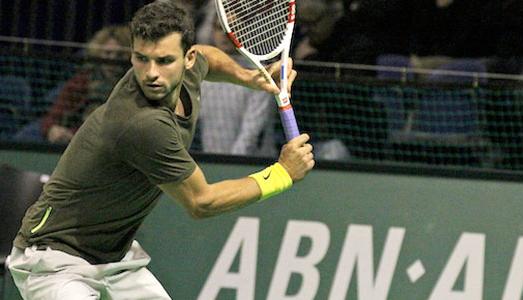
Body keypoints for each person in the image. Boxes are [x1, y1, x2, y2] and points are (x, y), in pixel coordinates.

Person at [7, 1, 314, 299]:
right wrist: (282, 174)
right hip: (54, 262)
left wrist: (247, 78)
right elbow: (202, 202)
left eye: (164, 60)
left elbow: (208, 57)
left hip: (114, 259)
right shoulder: (142, 123)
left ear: (187, 58)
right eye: (141, 59)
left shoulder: (190, 69)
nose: (151, 72)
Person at [198, 3, 277, 156]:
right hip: (211, 163)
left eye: (232, 28)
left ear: (245, 31)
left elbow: (251, 132)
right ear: (213, 31)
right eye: (220, 28)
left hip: (253, 165)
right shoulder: (201, 73)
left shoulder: (259, 72)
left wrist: (232, 164)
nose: (225, 34)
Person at [41, 25, 131, 144]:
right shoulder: (82, 81)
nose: (112, 60)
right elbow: (53, 116)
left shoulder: (133, 84)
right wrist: (52, 129)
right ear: (98, 53)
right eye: (107, 54)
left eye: (119, 55)